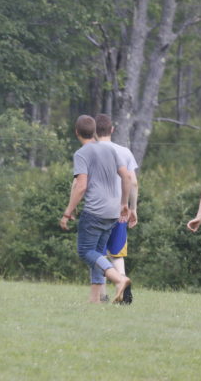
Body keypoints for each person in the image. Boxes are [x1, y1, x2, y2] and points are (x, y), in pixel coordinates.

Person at [59, 115, 132, 303]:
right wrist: (124, 204)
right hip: (112, 212)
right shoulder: (110, 150)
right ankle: (95, 300)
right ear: (94, 131)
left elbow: (81, 186)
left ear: (76, 132)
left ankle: (119, 280)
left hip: (95, 211)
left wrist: (68, 212)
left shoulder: (82, 153)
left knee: (85, 251)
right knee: (98, 254)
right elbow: (127, 177)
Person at [95, 114, 139, 304]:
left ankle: (102, 296)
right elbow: (133, 183)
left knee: (98, 254)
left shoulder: (90, 152)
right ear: (112, 130)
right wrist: (132, 208)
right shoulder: (125, 152)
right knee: (117, 254)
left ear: (94, 131)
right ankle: (123, 286)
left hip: (98, 210)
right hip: (120, 211)